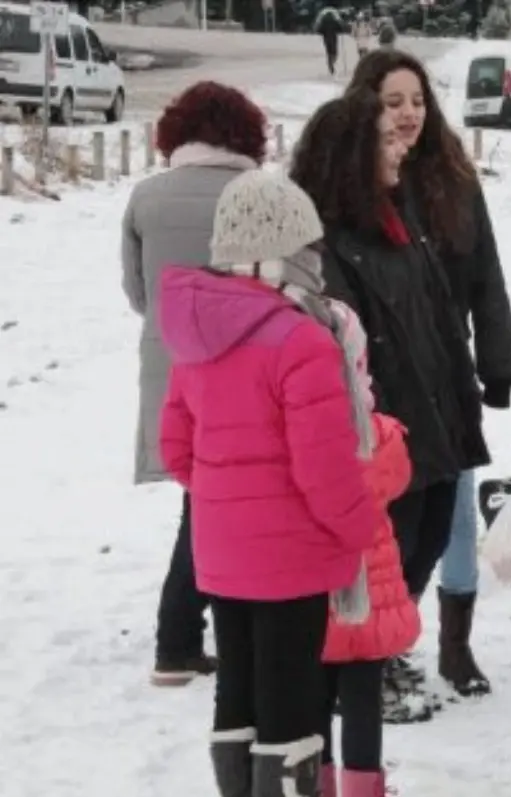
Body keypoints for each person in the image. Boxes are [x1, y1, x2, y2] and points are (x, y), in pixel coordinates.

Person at [157, 170, 377, 797]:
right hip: (293, 558)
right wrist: (358, 526)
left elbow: (176, 448)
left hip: (223, 553)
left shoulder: (195, 335)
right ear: (290, 253)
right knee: (290, 699)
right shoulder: (301, 339)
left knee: (238, 691)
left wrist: (230, 502)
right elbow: (323, 467)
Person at [289, 90, 488, 722]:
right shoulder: (322, 241)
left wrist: (462, 402)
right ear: (354, 154)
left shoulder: (398, 217)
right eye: (385, 139)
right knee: (385, 556)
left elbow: (438, 317)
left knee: (421, 548)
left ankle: (385, 650)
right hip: (382, 434)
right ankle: (359, 669)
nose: (401, 147)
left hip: (433, 424)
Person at [347, 50, 511, 699]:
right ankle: (383, 644)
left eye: (416, 100)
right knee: (395, 525)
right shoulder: (359, 183)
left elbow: (488, 279)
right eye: (393, 102)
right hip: (385, 382)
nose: (409, 114)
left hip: (448, 377)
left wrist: (499, 365)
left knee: (453, 517)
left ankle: (453, 643)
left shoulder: (453, 176)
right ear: (368, 106)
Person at [120, 80, 268, 687]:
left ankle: (181, 637)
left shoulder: (146, 198)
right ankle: (178, 637)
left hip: (168, 368)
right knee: (216, 505)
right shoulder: (260, 196)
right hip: (242, 368)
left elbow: (139, 295)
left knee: (203, 498)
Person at [319, 301, 421, 797]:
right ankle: (364, 791)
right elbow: (398, 480)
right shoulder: (379, 435)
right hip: (367, 595)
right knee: (362, 702)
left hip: (313, 596)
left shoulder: (295, 434)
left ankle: (313, 786)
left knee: (311, 704)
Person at [314, 5, 345, 76]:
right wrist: (342, 27)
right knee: (334, 52)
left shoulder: (323, 19)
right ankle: (331, 64)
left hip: (326, 37)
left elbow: (319, 30)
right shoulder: (334, 18)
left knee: (329, 52)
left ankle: (330, 64)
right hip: (333, 37)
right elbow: (340, 28)